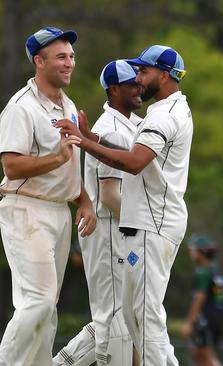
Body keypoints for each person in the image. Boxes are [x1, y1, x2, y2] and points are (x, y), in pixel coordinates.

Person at [56, 44, 193, 366]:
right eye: (133, 78)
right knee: (129, 318)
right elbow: (126, 163)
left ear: (164, 74)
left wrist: (85, 140)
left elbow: (134, 163)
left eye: (143, 73)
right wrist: (94, 139)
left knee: (139, 318)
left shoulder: (162, 115)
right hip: (141, 224)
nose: (139, 81)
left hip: (150, 223)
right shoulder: (169, 111)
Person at [0, 26, 97, 365]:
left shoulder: (67, 105)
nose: (69, 62)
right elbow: (11, 166)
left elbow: (67, 166)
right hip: (26, 209)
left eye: (71, 56)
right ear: (39, 62)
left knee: (48, 308)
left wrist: (82, 197)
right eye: (61, 57)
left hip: (58, 212)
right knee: (37, 301)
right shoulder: (21, 107)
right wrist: (55, 158)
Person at [53, 59, 143, 366]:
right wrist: (146, 225)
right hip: (107, 228)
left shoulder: (130, 125)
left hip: (120, 230)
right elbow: (108, 195)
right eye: (132, 83)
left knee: (116, 315)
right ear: (114, 90)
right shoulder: (108, 127)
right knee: (115, 319)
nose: (139, 87)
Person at [182, 234, 223, 366]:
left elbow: (199, 298)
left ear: (202, 252)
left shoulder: (203, 272)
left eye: (194, 249)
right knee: (198, 354)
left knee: (207, 357)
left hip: (205, 320)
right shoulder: (215, 270)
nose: (192, 252)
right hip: (216, 319)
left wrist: (189, 323)